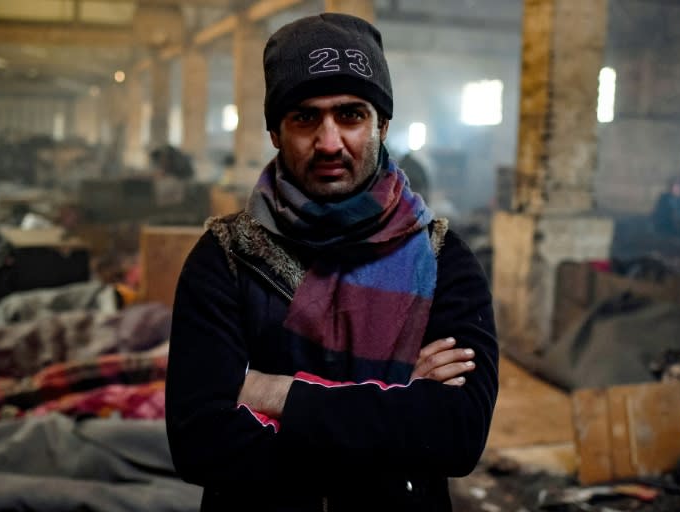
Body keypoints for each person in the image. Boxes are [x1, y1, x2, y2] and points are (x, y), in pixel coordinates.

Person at [165, 12, 499, 512]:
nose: (328, 142)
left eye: (350, 115)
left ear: (382, 125)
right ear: (276, 132)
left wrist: (272, 393)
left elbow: (457, 434)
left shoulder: (440, 260)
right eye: (304, 117)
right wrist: (398, 400)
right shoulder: (227, 258)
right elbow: (200, 443)